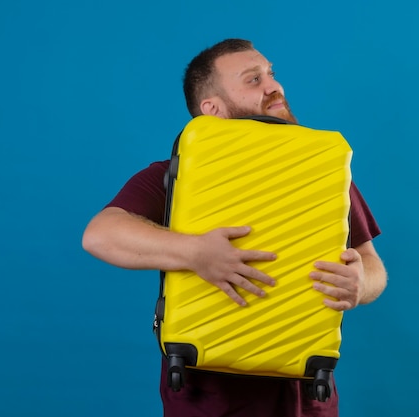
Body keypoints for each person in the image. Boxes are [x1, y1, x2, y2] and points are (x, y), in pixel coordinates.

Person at [82, 38, 387, 417]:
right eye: (253, 79)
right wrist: (195, 253)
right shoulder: (175, 177)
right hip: (210, 401)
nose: (274, 86)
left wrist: (361, 283)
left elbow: (372, 265)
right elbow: (101, 234)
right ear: (212, 110)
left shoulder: (323, 175)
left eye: (271, 74)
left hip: (307, 400)